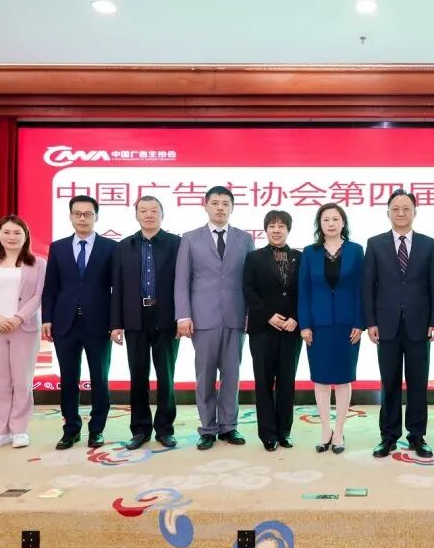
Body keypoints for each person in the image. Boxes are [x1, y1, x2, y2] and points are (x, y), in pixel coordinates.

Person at [363, 190, 434, 459]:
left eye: (406, 208)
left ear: (414, 212)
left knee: (418, 383)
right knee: (390, 382)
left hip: (420, 324)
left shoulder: (429, 245)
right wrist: (370, 321)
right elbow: (368, 286)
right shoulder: (375, 244)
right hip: (386, 324)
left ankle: (417, 435)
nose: (401, 213)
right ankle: (388, 436)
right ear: (388, 213)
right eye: (395, 208)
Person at [175, 186, 254, 451]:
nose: (220, 208)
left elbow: (250, 281)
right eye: (215, 203)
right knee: (205, 375)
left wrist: (250, 314)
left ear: (232, 207)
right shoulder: (190, 238)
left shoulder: (244, 239)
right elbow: (182, 280)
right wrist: (183, 316)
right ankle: (207, 428)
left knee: (232, 375)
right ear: (206, 205)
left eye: (225, 203)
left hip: (236, 316)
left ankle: (229, 426)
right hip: (202, 318)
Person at [42, 195, 117, 450]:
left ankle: (97, 430)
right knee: (68, 378)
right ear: (71, 216)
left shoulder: (110, 247)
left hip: (99, 323)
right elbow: (50, 287)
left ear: (97, 216)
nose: (83, 218)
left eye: (88, 214)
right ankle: (71, 430)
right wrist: (47, 318)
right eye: (78, 214)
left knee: (100, 379)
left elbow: (117, 289)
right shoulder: (58, 247)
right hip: (65, 323)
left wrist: (116, 322)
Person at [110, 196, 181, 450]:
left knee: (166, 376)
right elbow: (117, 287)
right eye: (143, 211)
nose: (149, 215)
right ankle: (140, 429)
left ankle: (165, 429)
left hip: (167, 318)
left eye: (154, 210)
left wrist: (183, 317)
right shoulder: (123, 246)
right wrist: (116, 323)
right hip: (134, 318)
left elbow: (184, 283)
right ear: (136, 215)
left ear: (162, 214)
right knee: (138, 375)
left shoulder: (176, 244)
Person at [0, 215, 47, 450]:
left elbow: (39, 295)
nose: (11, 237)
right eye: (7, 232)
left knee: (22, 382)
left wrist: (18, 318)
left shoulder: (38, 263)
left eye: (17, 233)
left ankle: (19, 430)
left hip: (24, 328)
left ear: (26, 236)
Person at [298, 203, 364, 454]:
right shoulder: (309, 252)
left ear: (343, 222)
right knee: (321, 379)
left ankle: (339, 430)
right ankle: (325, 429)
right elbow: (304, 291)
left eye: (336, 219)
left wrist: (360, 322)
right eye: (326, 219)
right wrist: (304, 324)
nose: (331, 223)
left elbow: (361, 290)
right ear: (320, 224)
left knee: (344, 379)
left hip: (348, 326)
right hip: (318, 325)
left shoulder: (356, 250)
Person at [243, 210, 303, 452]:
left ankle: (284, 431)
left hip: (291, 329)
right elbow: (248, 290)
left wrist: (296, 318)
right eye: (272, 226)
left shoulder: (300, 257)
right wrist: (268, 315)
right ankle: (268, 434)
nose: (276, 230)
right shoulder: (254, 258)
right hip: (262, 329)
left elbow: (305, 291)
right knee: (264, 382)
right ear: (265, 229)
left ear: (288, 230)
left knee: (287, 382)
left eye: (281, 226)